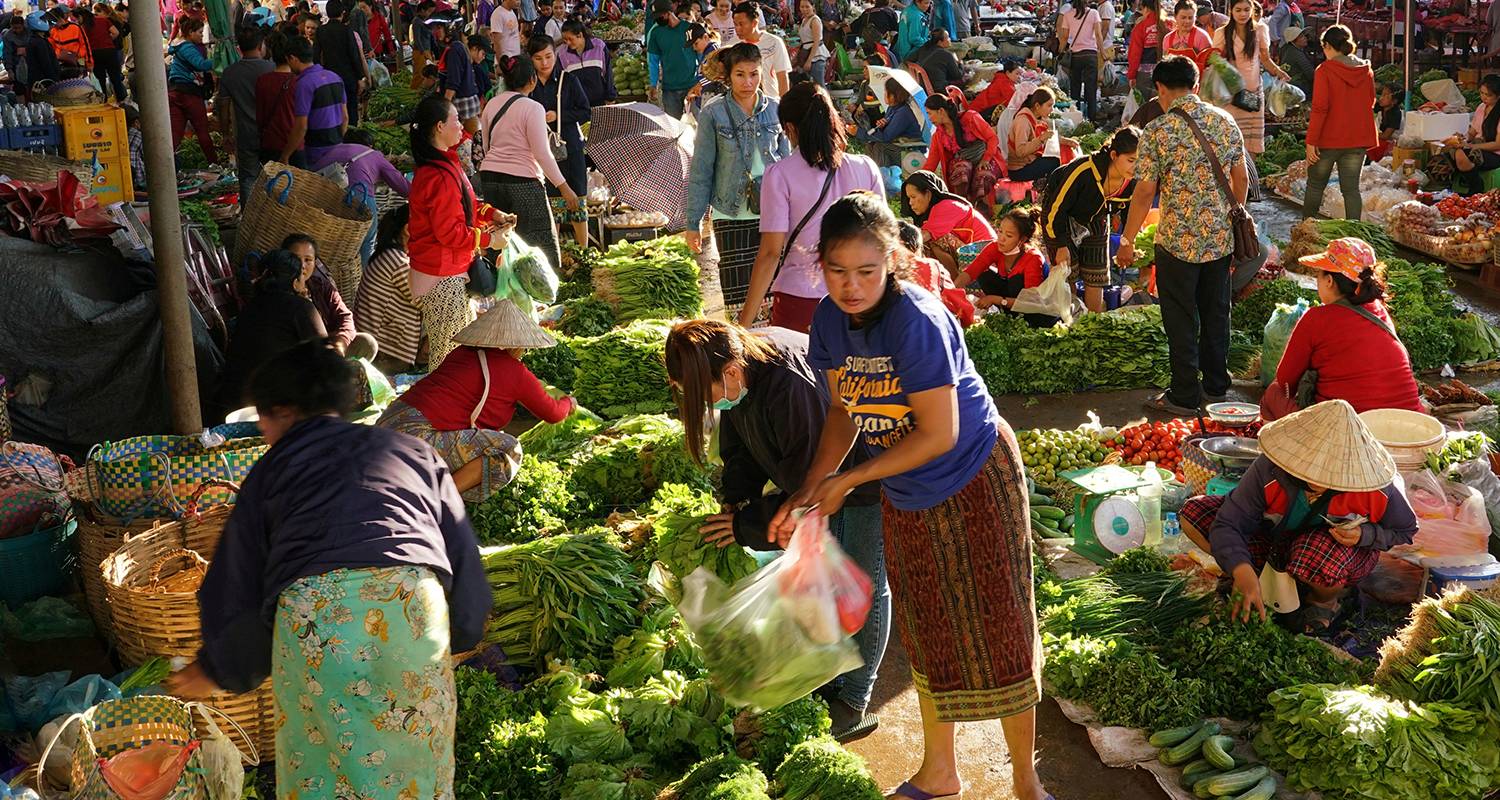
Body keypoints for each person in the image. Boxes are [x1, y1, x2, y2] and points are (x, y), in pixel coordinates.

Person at [769, 191, 1047, 800]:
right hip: (907, 489)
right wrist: (811, 489)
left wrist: (849, 481)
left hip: (975, 474)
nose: (851, 286)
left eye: (866, 271)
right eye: (837, 271)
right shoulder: (826, 322)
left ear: (892, 259)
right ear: (821, 267)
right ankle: (940, 772)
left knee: (1002, 622)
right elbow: (844, 414)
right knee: (927, 626)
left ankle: (1026, 781)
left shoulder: (915, 317)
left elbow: (939, 432)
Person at [170, 339, 490, 800]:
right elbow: (462, 552)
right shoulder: (411, 453)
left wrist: (220, 668)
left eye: (261, 419)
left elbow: (235, 585)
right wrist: (459, 628)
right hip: (412, 606)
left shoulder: (270, 471)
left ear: (280, 411)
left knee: (321, 762)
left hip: (317, 617)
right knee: (416, 756)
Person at [664, 320, 890, 741]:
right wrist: (737, 499)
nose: (706, 403)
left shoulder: (787, 385)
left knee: (863, 580)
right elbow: (741, 449)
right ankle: (830, 673)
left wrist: (746, 526)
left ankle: (856, 699)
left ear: (730, 372)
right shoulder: (740, 375)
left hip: (862, 477)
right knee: (825, 577)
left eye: (705, 392)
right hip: (818, 481)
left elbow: (807, 482)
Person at [1180, 399, 1417, 634]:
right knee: (1195, 513)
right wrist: (1241, 570)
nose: (1317, 478)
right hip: (1276, 541)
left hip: (1327, 555)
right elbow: (1229, 521)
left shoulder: (1377, 488)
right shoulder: (1273, 468)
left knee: (1312, 552)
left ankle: (1324, 601)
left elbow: (1405, 531)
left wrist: (1364, 535)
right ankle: (1259, 578)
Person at [1116, 55, 1246, 416]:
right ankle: (1217, 386)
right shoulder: (1225, 121)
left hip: (1176, 242)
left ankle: (1185, 394)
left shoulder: (1159, 130)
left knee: (1180, 317)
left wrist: (1127, 240)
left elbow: (1144, 193)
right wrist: (1229, 217)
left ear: (1159, 89)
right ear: (1197, 81)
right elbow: (1242, 179)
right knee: (1217, 312)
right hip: (1219, 240)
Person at [378, 300, 576, 500]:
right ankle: (440, 498)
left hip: (387, 423)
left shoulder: (462, 353)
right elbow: (553, 413)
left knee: (489, 439)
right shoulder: (514, 372)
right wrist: (568, 403)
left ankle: (432, 487)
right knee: (507, 448)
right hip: (414, 437)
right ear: (517, 345)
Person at [742, 82, 884, 330]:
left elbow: (770, 254)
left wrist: (743, 324)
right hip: (861, 299)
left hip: (801, 300)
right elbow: (883, 239)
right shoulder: (865, 167)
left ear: (789, 129)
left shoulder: (779, 175)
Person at [684, 43, 791, 316]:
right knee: (737, 300)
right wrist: (693, 222)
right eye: (740, 74)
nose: (748, 82)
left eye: (754, 74)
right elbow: (701, 169)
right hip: (728, 212)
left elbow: (788, 166)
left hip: (772, 212)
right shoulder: (713, 112)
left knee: (774, 296)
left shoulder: (776, 109)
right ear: (728, 76)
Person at [1265, 238, 1423, 416]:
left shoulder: (1316, 318)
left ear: (1330, 281)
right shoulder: (1380, 310)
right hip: (1410, 423)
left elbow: (1286, 381)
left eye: (1318, 274)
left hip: (1348, 431)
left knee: (1273, 393)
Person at [408, 95, 507, 368]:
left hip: (446, 270)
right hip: (439, 274)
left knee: (455, 354)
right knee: (448, 360)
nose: (462, 127)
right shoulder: (436, 174)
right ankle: (443, 408)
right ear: (440, 127)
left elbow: (467, 202)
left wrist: (493, 214)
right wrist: (489, 239)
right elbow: (449, 233)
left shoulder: (446, 164)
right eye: (456, 120)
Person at [479, 54, 584, 273]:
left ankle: (502, 294)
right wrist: (564, 187)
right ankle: (543, 295)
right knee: (538, 246)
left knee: (501, 241)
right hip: (523, 183)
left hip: (490, 178)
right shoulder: (533, 107)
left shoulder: (491, 104)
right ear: (532, 80)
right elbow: (542, 154)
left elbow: (487, 146)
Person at [216, 249, 329, 413]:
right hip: (274, 405)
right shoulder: (301, 308)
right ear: (296, 281)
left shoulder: (250, 308)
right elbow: (326, 357)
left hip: (234, 403)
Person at [1041, 126, 1139, 312]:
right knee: (1067, 272)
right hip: (1061, 217)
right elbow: (1056, 209)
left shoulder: (1133, 181)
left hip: (1097, 217)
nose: (1136, 166)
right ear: (1114, 155)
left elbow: (1131, 213)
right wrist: (1061, 244)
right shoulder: (1084, 171)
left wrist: (1128, 241)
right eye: (1131, 160)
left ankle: (1093, 319)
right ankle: (1069, 320)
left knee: (1097, 274)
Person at [308, 128, 412, 267]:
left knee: (327, 240)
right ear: (369, 146)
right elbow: (404, 187)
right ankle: (363, 280)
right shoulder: (374, 155)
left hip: (320, 195)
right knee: (367, 240)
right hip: (358, 196)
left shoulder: (336, 148)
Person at [1303, 24, 1374, 217]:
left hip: (1328, 139)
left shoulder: (1324, 70)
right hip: (1357, 139)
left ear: (1327, 46)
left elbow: (1319, 109)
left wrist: (1311, 141)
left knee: (1315, 186)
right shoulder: (1365, 70)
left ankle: (1305, 229)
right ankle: (1354, 238)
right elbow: (1371, 101)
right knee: (1351, 191)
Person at [1211, 0, 1290, 166]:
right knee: (1229, 139)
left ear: (1252, 10)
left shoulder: (1260, 30)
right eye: (1238, 10)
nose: (1243, 14)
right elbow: (1214, 59)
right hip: (1230, 96)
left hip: (1253, 92)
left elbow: (1265, 59)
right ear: (1231, 11)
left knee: (1252, 143)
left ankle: (1249, 181)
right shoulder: (1222, 32)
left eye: (1246, 10)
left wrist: (1278, 72)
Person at [527, 35, 590, 244]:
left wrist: (559, 115)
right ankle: (557, 253)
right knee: (550, 201)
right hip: (540, 151)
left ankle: (584, 250)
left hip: (570, 148)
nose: (544, 63)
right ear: (531, 59)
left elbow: (585, 111)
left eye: (548, 56)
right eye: (538, 58)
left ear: (555, 54)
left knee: (577, 199)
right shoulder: (528, 85)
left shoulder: (569, 80)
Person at [281, 233, 379, 360]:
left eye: (308, 260)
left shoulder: (321, 286)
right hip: (299, 354)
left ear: (315, 263)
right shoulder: (280, 289)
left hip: (328, 349)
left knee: (367, 343)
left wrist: (341, 343)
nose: (302, 266)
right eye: (296, 259)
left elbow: (345, 317)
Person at [355, 205, 427, 373]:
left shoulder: (390, 254)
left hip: (385, 346)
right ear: (408, 229)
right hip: (385, 350)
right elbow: (425, 301)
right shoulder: (396, 261)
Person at [962, 205, 1055, 326]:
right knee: (984, 274)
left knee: (1015, 281)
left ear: (1022, 239)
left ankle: (1017, 320)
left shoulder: (1033, 258)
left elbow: (1031, 302)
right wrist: (950, 292)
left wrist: (994, 299)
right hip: (1012, 304)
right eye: (1000, 231)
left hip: (1037, 312)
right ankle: (1008, 316)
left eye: (1009, 236)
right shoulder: (995, 247)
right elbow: (970, 272)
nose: (1001, 238)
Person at [902, 169, 998, 277]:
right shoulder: (934, 211)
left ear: (928, 194)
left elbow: (921, 237)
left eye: (913, 197)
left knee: (936, 239)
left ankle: (954, 284)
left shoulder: (946, 206)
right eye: (909, 198)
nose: (910, 203)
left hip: (985, 257)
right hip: (972, 253)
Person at [921, 92, 1002, 217]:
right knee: (961, 170)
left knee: (983, 174)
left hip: (986, 158)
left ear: (941, 111)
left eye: (929, 113)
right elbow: (931, 163)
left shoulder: (971, 118)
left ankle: (978, 208)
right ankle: (961, 206)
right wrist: (918, 180)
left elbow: (992, 138)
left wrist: (985, 159)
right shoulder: (939, 135)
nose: (929, 118)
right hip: (965, 166)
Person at [219, 27, 275, 201]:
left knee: (249, 179)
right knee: (274, 177)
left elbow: (223, 107)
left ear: (239, 48)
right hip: (272, 134)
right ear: (260, 45)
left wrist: (226, 134)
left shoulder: (230, 73)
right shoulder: (273, 68)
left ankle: (249, 221)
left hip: (245, 134)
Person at [282, 35, 348, 165]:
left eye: (288, 61)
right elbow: (345, 117)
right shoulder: (335, 77)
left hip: (317, 152)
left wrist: (286, 155)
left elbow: (301, 126)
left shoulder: (304, 84)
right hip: (338, 148)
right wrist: (337, 140)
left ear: (293, 58)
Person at [1428, 75, 1500, 194]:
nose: (1484, 97)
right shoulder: (1482, 107)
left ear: (1498, 96)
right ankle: (1448, 189)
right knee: (1442, 158)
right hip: (1477, 147)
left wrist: (1472, 146)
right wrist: (1461, 139)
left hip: (1495, 154)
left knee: (1463, 153)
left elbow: (1497, 144)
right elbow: (1472, 132)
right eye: (1482, 93)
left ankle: (1476, 186)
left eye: (1488, 95)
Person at [167, 16, 218, 163]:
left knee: (175, 135)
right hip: (188, 93)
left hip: (175, 93)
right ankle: (214, 164)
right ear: (190, 32)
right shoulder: (187, 47)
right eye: (200, 32)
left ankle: (168, 167)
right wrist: (221, 60)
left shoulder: (178, 46)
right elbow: (201, 64)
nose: (202, 36)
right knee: (202, 131)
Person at [316, 0, 371, 125]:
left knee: (335, 108)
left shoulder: (320, 31)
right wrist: (360, 77)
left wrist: (320, 75)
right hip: (348, 77)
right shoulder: (347, 30)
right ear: (342, 13)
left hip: (329, 77)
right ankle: (351, 135)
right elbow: (354, 55)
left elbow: (316, 56)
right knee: (351, 108)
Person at [429, 13, 482, 139]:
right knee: (469, 140)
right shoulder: (457, 47)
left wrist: (444, 107)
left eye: (439, 28)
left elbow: (453, 82)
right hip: (466, 100)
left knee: (475, 141)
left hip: (463, 102)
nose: (436, 32)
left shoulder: (454, 50)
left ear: (450, 28)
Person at [256, 31, 302, 169]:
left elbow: (260, 116)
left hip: (271, 143)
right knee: (299, 188)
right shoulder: (299, 81)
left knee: (273, 187)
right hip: (297, 143)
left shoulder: (263, 81)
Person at [853, 80, 924, 170]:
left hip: (909, 149)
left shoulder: (903, 112)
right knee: (870, 145)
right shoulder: (892, 108)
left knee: (880, 146)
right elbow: (887, 131)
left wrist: (858, 132)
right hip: (897, 145)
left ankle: (882, 176)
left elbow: (885, 137)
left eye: (886, 91)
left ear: (894, 95)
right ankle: (872, 173)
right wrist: (882, 126)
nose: (884, 94)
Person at [646, 0, 698, 117]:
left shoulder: (689, 28)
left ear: (668, 13)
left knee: (697, 124)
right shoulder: (656, 32)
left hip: (692, 85)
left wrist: (700, 80)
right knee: (673, 126)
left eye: (659, 16)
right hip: (670, 88)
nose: (657, 19)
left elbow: (700, 54)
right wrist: (653, 84)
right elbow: (653, 61)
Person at [1056, 0, 1104, 120]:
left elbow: (1065, 37)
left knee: (1075, 89)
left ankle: (1075, 118)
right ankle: (1092, 120)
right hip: (1091, 55)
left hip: (1076, 56)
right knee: (1091, 89)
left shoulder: (1067, 14)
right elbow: (1098, 35)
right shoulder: (1094, 13)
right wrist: (1102, 52)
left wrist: (1060, 51)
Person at [1007, 86, 1065, 184]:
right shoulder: (1023, 121)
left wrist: (1067, 141)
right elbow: (1020, 151)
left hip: (1029, 162)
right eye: (1049, 106)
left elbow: (1049, 137)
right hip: (1019, 170)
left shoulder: (1037, 119)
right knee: (1055, 162)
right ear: (1037, 105)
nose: (1052, 110)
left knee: (1061, 154)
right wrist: (1041, 139)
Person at [733, 2, 791, 99]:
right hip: (742, 104)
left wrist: (783, 107)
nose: (737, 29)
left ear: (755, 23)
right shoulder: (732, 45)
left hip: (771, 100)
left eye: (741, 24)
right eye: (735, 24)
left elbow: (782, 76)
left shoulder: (774, 42)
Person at [559, 19, 617, 106]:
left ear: (580, 35)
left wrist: (610, 96)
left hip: (600, 101)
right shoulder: (562, 54)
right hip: (578, 105)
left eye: (570, 39)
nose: (567, 43)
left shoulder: (598, 46)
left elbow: (608, 73)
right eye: (565, 40)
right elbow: (563, 81)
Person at [4, 13, 60, 103]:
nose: (17, 30)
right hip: (20, 68)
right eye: (14, 28)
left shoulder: (33, 37)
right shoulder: (9, 36)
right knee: (20, 90)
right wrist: (9, 70)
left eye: (19, 28)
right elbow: (7, 54)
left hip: (33, 72)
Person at [86, 1, 125, 100]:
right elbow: (117, 33)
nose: (96, 16)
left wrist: (106, 39)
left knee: (102, 79)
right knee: (116, 78)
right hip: (113, 51)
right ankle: (121, 100)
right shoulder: (113, 20)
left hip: (100, 52)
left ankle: (105, 99)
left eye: (96, 13)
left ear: (103, 12)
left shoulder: (101, 21)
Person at [1126, 0, 1166, 92]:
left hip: (1144, 74)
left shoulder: (1141, 27)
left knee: (1145, 104)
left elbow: (1135, 54)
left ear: (1145, 8)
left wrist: (1132, 75)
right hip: (1165, 73)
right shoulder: (1169, 24)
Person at [1161, 0, 1212, 71]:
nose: (1187, 21)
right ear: (1175, 17)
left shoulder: (1202, 37)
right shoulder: (1168, 38)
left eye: (1190, 18)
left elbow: (1208, 65)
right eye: (1183, 17)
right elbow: (1164, 64)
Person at [913, 29, 965, 95]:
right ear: (940, 42)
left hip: (924, 87)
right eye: (948, 37)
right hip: (940, 89)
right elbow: (957, 75)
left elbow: (909, 60)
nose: (950, 39)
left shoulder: (923, 49)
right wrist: (960, 63)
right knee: (964, 80)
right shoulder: (946, 54)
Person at [48, 6, 91, 74]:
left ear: (60, 18)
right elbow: (52, 48)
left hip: (77, 63)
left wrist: (89, 63)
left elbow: (85, 45)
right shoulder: (53, 31)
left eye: (54, 20)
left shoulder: (76, 28)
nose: (54, 24)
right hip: (61, 64)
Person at [793, 0, 827, 85]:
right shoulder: (804, 20)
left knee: (819, 85)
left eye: (807, 7)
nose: (804, 9)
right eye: (802, 7)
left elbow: (816, 42)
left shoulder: (815, 20)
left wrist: (809, 60)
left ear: (813, 6)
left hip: (816, 56)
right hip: (806, 54)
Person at [1368, 83, 1402, 162]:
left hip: (1392, 145)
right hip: (1382, 141)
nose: (1381, 98)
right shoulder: (1381, 107)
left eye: (1385, 96)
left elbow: (1386, 136)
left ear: (1394, 101)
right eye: (1382, 94)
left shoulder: (1396, 114)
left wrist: (1368, 134)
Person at [1279, 24, 1314, 100]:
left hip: (1286, 83)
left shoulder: (1285, 48)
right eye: (1301, 37)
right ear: (1294, 41)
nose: (1305, 38)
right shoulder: (1297, 54)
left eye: (1304, 36)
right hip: (1296, 86)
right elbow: (1311, 74)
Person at [411, 0, 438, 85]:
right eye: (429, 11)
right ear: (422, 10)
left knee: (426, 74)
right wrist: (423, 52)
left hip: (426, 50)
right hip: (420, 52)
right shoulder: (417, 21)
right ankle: (415, 93)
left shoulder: (425, 21)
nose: (430, 14)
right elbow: (417, 39)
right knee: (419, 74)